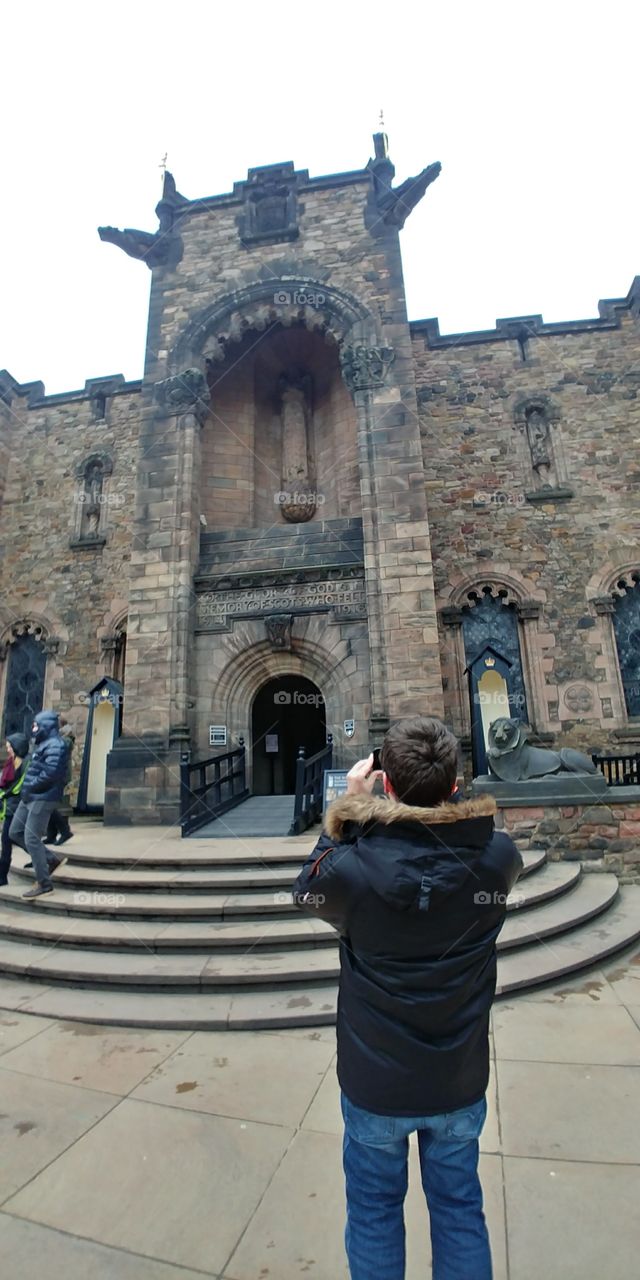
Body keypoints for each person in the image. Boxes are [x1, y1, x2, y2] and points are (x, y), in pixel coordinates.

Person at [292, 716, 522, 1280]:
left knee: (372, 1215)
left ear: (384, 783)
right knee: (460, 1212)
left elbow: (307, 889)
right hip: (457, 1078)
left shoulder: (350, 872)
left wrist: (347, 808)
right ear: (454, 786)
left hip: (376, 1085)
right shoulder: (497, 861)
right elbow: (473, 833)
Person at [9, 711, 70, 899]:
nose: (33, 729)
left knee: (31, 838)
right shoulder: (43, 744)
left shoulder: (56, 745)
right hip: (30, 796)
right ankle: (50, 859)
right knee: (15, 832)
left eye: (36, 726)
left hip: (43, 797)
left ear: (46, 726)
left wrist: (31, 785)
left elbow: (52, 773)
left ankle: (44, 884)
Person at [0, 733, 30, 886]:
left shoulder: (25, 764)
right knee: (10, 840)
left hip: (18, 807)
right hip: (9, 806)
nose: (7, 748)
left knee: (9, 839)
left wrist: (4, 794)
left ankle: (2, 876)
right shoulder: (10, 763)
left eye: (10, 746)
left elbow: (19, 787)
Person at [46, 715, 75, 846]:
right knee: (49, 805)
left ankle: (65, 831)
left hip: (60, 776)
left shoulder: (67, 739)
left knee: (56, 806)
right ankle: (51, 834)